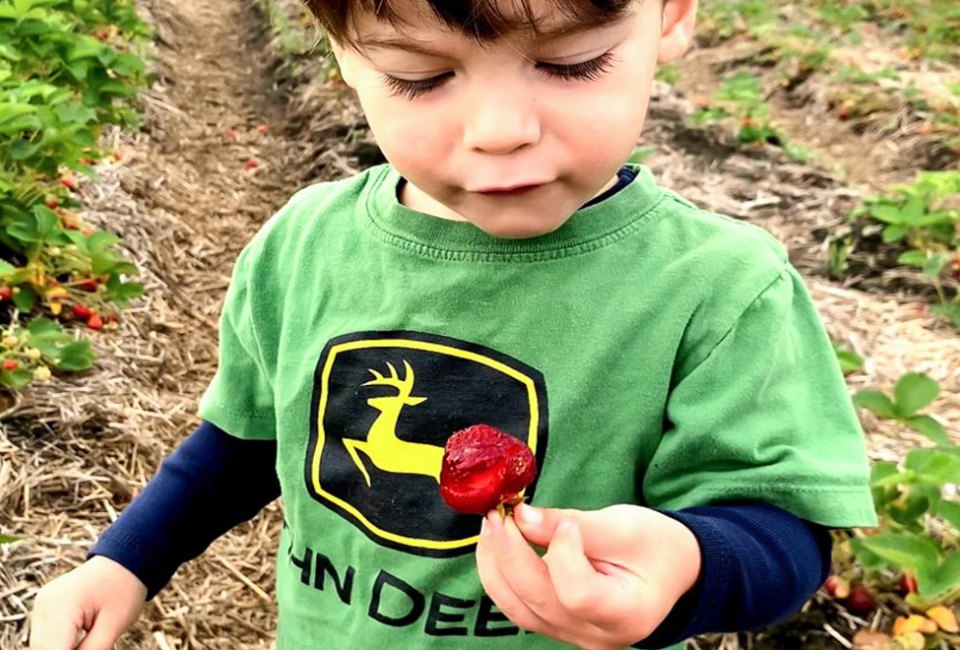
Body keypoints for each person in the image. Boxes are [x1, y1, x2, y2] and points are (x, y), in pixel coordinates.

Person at [29, 0, 878, 648]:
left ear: (673, 16)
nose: (500, 132)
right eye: (422, 77)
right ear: (342, 55)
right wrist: (126, 560)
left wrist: (690, 562)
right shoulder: (304, 245)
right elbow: (246, 444)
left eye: (572, 62)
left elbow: (784, 531)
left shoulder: (717, 290)